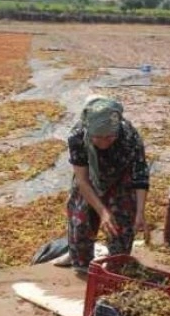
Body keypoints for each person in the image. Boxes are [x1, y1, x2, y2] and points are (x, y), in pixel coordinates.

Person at [59, 95, 150, 274]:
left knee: (122, 227)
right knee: (81, 222)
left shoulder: (129, 135)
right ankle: (80, 261)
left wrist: (140, 212)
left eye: (109, 137)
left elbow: (140, 173)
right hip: (90, 178)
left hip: (120, 178)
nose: (103, 142)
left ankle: (115, 265)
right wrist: (102, 211)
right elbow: (82, 180)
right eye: (97, 137)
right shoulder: (77, 136)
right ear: (88, 131)